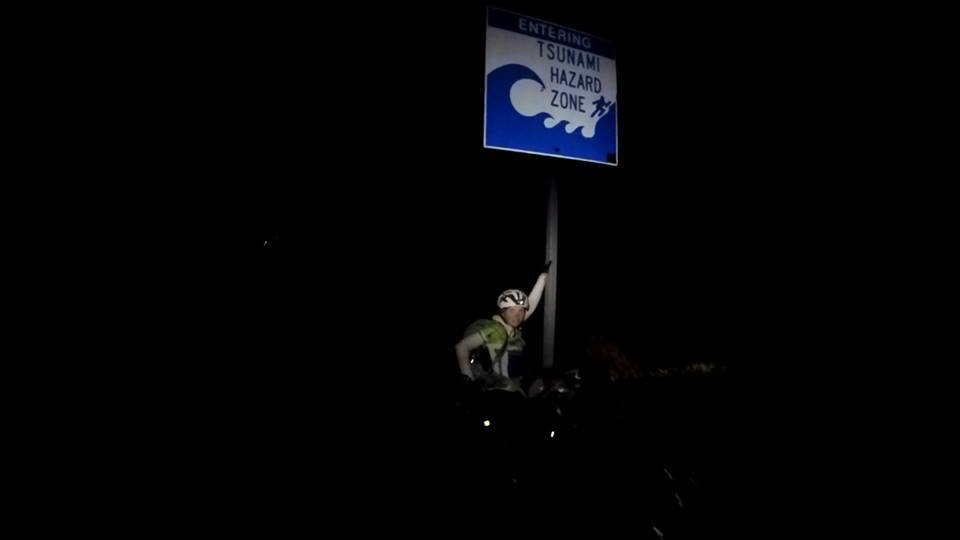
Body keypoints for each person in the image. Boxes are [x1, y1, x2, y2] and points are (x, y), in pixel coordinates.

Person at [455, 261, 552, 394]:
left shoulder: (512, 329)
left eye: (520, 311)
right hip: (497, 393)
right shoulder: (495, 329)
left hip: (513, 388)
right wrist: (468, 381)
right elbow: (462, 347)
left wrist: (543, 277)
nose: (517, 315)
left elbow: (531, 303)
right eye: (512, 310)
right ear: (503, 312)